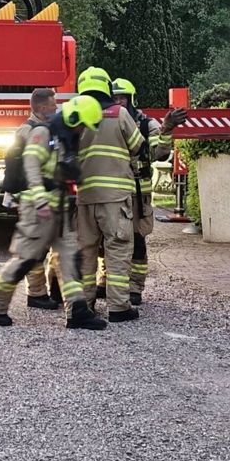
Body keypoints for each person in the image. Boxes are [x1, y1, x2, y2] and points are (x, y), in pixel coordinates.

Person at [0, 96, 107, 330]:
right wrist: (40, 200)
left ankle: (77, 312)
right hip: (38, 208)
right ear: (73, 118)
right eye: (82, 125)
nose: (82, 130)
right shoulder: (43, 133)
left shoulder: (63, 136)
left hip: (57, 207)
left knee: (71, 258)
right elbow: (31, 164)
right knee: (26, 259)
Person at [99, 78, 187, 305]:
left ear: (131, 99)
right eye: (115, 98)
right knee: (108, 239)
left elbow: (160, 154)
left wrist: (166, 129)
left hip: (139, 194)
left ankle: (135, 287)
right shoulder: (105, 120)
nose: (118, 102)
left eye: (122, 98)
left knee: (137, 242)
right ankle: (104, 282)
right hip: (114, 191)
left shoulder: (146, 124)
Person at [72, 67, 145, 323]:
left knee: (85, 253)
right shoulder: (119, 113)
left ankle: (81, 309)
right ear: (106, 87)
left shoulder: (75, 115)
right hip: (115, 199)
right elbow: (138, 146)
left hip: (85, 198)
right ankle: (118, 308)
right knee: (117, 251)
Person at [12, 88, 60, 311]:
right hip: (35, 197)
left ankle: (52, 289)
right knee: (36, 248)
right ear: (42, 108)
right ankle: (37, 294)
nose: (56, 107)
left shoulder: (44, 128)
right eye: (53, 104)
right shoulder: (30, 130)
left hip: (47, 196)